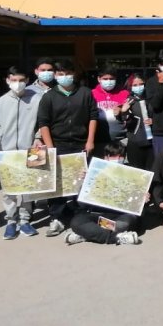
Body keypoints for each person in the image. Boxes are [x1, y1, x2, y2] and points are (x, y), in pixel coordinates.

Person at [37, 59, 99, 237]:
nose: (65, 77)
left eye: (68, 73)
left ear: (74, 74)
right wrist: (50, 148)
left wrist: (90, 141)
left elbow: (92, 116)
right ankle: (57, 218)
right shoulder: (48, 96)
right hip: (58, 144)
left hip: (80, 144)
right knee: (58, 184)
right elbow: (44, 123)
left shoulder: (85, 93)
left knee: (81, 181)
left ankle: (81, 216)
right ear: (55, 76)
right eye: (60, 74)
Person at [0, 66, 42, 239]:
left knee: (29, 187)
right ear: (7, 80)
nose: (17, 84)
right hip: (8, 151)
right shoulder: (1, 101)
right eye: (14, 80)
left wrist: (38, 138)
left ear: (26, 81)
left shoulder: (37, 99)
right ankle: (11, 221)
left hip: (32, 149)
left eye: (21, 80)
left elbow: (42, 122)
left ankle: (25, 221)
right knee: (9, 189)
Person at [65, 142, 141, 246]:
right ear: (106, 157)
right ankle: (116, 238)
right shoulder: (94, 171)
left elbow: (137, 205)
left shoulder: (132, 172)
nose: (117, 159)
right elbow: (83, 205)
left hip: (119, 217)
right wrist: (84, 183)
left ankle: (86, 235)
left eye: (120, 156)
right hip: (97, 216)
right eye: (113, 156)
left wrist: (143, 199)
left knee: (126, 223)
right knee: (76, 222)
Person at [92, 66, 130, 157]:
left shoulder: (124, 93)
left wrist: (122, 111)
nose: (108, 81)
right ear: (99, 79)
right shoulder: (91, 94)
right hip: (99, 140)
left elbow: (131, 116)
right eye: (105, 79)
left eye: (111, 79)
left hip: (120, 140)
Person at [120, 74, 154, 171]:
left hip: (151, 142)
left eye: (141, 84)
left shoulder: (151, 99)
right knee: (137, 171)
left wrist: (153, 121)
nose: (138, 87)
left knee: (151, 171)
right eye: (135, 85)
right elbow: (125, 122)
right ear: (130, 86)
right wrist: (124, 111)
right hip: (135, 142)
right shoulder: (128, 101)